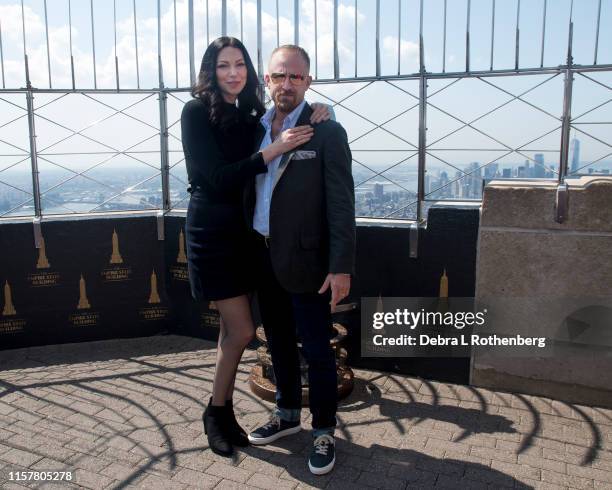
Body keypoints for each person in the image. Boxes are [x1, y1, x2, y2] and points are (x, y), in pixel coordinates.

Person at [181, 37, 330, 457]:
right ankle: (215, 410)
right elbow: (215, 178)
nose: (233, 72)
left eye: (239, 64)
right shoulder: (195, 112)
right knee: (244, 331)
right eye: (224, 64)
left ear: (250, 72)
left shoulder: (249, 118)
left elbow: (285, 115)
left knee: (232, 332)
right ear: (211, 70)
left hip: (245, 237)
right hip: (212, 233)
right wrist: (274, 151)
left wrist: (323, 111)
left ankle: (223, 413)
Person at [245, 45, 355, 476]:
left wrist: (340, 264)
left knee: (317, 350)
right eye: (278, 76)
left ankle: (323, 430)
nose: (286, 84)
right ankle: (287, 414)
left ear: (308, 82)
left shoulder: (326, 130)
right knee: (277, 343)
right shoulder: (253, 129)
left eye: (295, 77)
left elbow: (341, 204)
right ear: (267, 81)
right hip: (262, 254)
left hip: (308, 262)